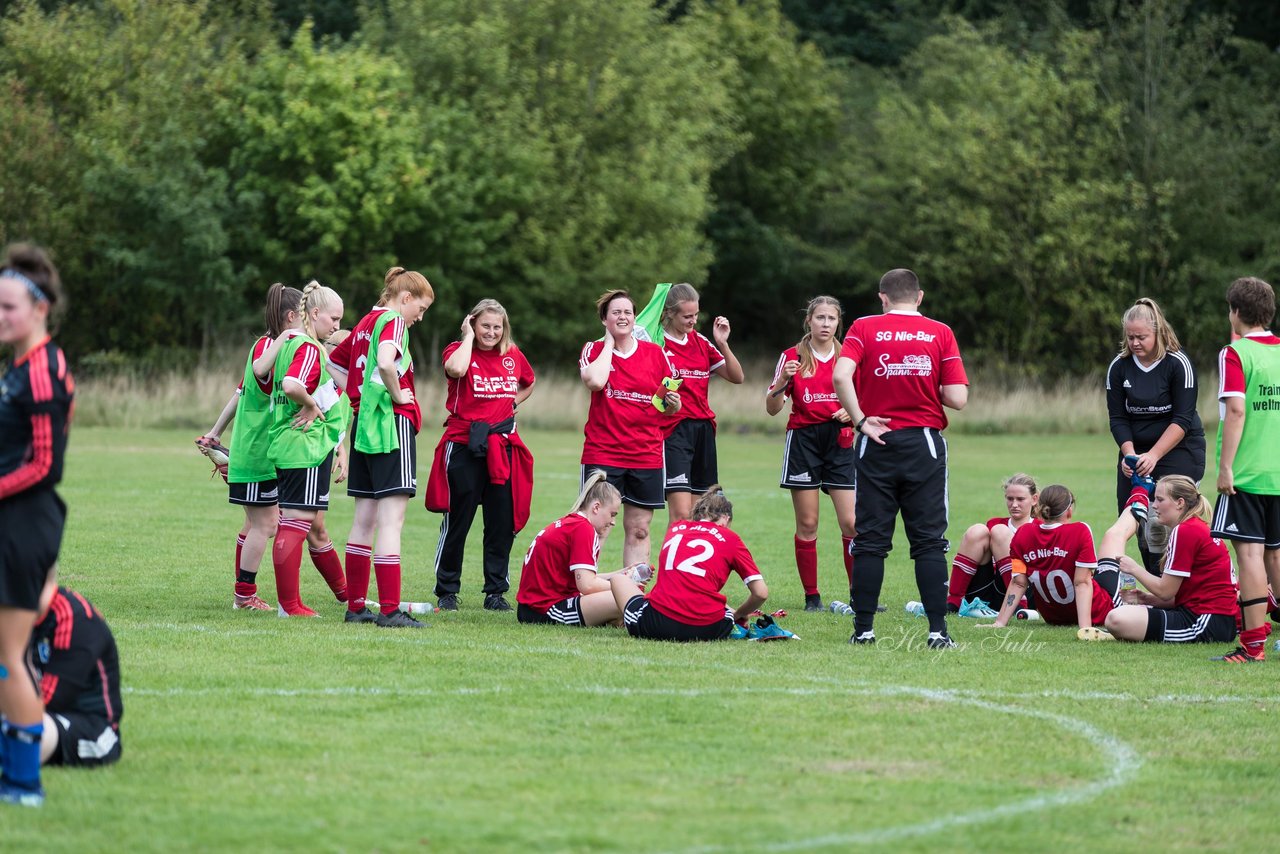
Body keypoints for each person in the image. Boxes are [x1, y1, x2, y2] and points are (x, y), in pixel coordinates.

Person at [833, 269, 968, 648]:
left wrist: (860, 420)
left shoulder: (863, 327)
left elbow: (841, 377)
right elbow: (958, 398)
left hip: (875, 438)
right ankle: (938, 632)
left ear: (883, 298)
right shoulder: (940, 332)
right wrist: (923, 383)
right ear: (920, 297)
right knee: (928, 541)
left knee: (871, 540)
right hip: (923, 442)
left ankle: (863, 630)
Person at [200, 284, 346, 612]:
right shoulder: (275, 347)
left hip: (261, 447)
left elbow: (240, 393)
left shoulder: (269, 345)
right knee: (267, 525)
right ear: (296, 316)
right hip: (263, 449)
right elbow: (261, 376)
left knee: (265, 524)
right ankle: (249, 596)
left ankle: (256, 594)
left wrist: (214, 433)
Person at [0, 243, 73, 806]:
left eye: (9, 308)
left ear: (40, 308)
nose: (1, 317)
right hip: (12, 518)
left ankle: (23, 783)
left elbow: (45, 465)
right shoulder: (19, 366)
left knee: (9, 657)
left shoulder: (45, 368)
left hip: (26, 524)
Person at [328, 267, 434, 628]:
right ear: (405, 298)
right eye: (419, 309)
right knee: (392, 521)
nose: (419, 318)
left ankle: (356, 606)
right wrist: (396, 393)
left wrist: (356, 395)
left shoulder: (362, 324)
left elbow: (332, 361)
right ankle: (390, 610)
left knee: (364, 520)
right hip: (391, 425)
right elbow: (388, 363)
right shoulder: (393, 321)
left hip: (364, 426)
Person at [426, 300, 536, 612]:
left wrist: (511, 404)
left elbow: (529, 382)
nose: (491, 332)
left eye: (496, 327)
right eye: (484, 325)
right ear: (473, 324)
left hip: (501, 446)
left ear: (505, 328)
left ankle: (496, 591)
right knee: (458, 520)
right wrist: (468, 337)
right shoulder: (458, 350)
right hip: (464, 444)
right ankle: (447, 589)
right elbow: (456, 369)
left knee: (501, 522)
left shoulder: (511, 354)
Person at [265, 281, 350, 618]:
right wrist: (311, 405)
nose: (337, 327)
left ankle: (302, 602)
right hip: (304, 446)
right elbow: (291, 385)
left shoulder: (289, 344)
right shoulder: (310, 348)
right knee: (297, 523)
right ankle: (289, 606)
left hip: (292, 445)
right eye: (334, 319)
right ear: (314, 313)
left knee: (301, 522)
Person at [765, 296, 857, 612]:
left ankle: (859, 594)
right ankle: (812, 597)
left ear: (838, 323)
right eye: (820, 318)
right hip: (804, 441)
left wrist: (853, 412)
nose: (826, 324)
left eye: (831, 319)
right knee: (808, 521)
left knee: (853, 522)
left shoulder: (849, 356)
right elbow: (772, 407)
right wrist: (784, 379)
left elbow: (867, 400)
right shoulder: (792, 357)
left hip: (840, 441)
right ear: (809, 321)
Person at [579, 290, 681, 568]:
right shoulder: (593, 349)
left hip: (645, 454)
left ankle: (633, 600)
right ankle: (584, 593)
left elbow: (668, 404)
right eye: (616, 312)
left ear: (635, 318)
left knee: (640, 530)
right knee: (596, 528)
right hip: (603, 454)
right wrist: (610, 343)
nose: (623, 317)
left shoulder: (656, 354)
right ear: (604, 319)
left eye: (627, 312)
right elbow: (596, 382)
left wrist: (673, 403)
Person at [1106, 297, 1205, 574]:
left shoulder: (1178, 364)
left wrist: (1154, 455)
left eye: (1142, 337)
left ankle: (1178, 587)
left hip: (1179, 448)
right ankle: (1156, 587)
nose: (1135, 343)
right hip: (1136, 450)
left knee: (1166, 521)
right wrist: (1129, 455)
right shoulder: (1119, 367)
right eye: (1130, 337)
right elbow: (1117, 418)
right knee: (1140, 522)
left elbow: (1182, 419)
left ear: (1158, 332)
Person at [1210, 276, 1280, 662]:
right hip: (1278, 472)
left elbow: (1236, 410)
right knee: (1276, 555)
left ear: (1236, 312)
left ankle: (1253, 646)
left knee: (1250, 556)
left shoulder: (1235, 353)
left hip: (1249, 474)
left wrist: (1226, 468)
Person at [609, 486, 768, 642]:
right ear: (726, 518)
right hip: (709, 629)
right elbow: (760, 593)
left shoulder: (676, 528)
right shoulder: (731, 538)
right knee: (721, 609)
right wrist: (740, 613)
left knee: (618, 580)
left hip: (657, 625)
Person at [1098, 476, 1238, 643]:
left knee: (1116, 619)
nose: (1154, 506)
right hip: (1217, 620)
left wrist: (1134, 568)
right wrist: (1147, 599)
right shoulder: (1194, 527)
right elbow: (1188, 593)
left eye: (1159, 500)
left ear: (1180, 503)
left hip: (1205, 622)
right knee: (1125, 614)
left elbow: (1166, 591)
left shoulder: (1186, 531)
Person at [978, 484, 1118, 637]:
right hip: (1099, 611)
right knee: (1113, 539)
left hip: (1053, 617)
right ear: (1069, 510)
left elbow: (1018, 582)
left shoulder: (1022, 533)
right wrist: (1085, 628)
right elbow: (1082, 582)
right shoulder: (1080, 531)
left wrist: (1000, 622)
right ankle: (1140, 495)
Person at [658, 283, 744, 522]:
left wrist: (723, 343)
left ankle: (689, 561)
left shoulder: (701, 342)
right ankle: (671, 560)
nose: (692, 321)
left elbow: (737, 377)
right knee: (681, 514)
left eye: (695, 315)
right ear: (670, 313)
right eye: (687, 316)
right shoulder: (657, 345)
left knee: (701, 514)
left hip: (704, 430)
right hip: (674, 431)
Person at [515, 471, 631, 627]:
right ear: (596, 507)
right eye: (612, 514)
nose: (613, 522)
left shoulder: (574, 523)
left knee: (623, 597)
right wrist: (627, 589)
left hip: (533, 607)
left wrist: (622, 575)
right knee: (626, 599)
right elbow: (587, 585)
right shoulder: (583, 529)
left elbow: (583, 578)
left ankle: (614, 617)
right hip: (545, 609)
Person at [29, 584, 122, 768]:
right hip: (33, 709)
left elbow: (49, 700)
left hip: (91, 728)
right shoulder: (14, 614)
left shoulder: (73, 617)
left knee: (29, 728)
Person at [946, 473, 1038, 617]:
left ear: (1034, 499)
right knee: (977, 530)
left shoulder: (1042, 528)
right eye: (1010, 499)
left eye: (1020, 499)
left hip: (1024, 591)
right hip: (990, 589)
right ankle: (953, 601)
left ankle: (1018, 604)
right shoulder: (994, 523)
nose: (1014, 504)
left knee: (1000, 532)